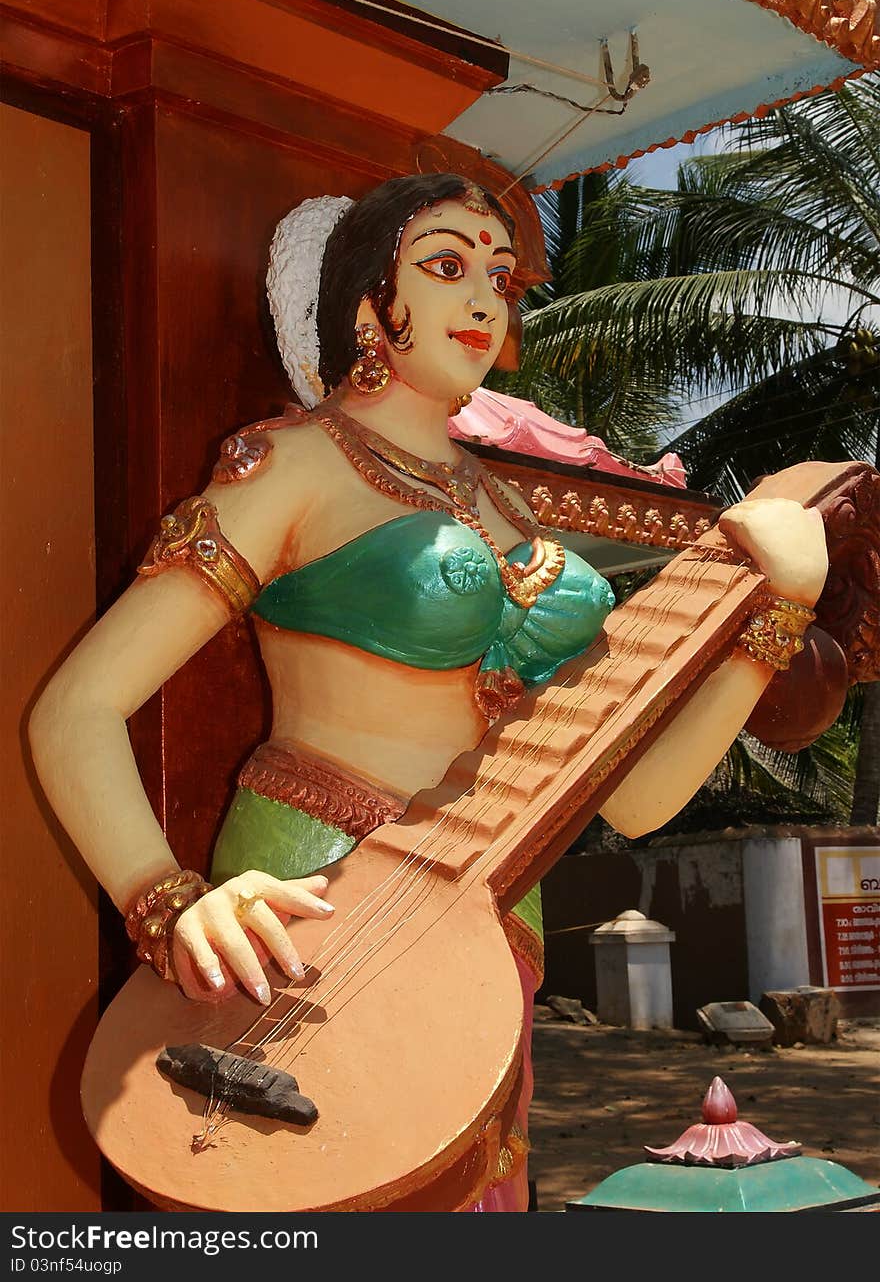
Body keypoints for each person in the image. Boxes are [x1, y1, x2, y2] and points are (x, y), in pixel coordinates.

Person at [29, 172, 828, 1212]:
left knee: (475, 1192)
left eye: (499, 276)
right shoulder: (295, 465)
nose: (487, 298)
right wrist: (166, 898)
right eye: (446, 266)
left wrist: (771, 620)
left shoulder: (508, 505)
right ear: (369, 304)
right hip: (310, 897)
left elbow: (627, 802)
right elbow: (77, 708)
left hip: (493, 917)